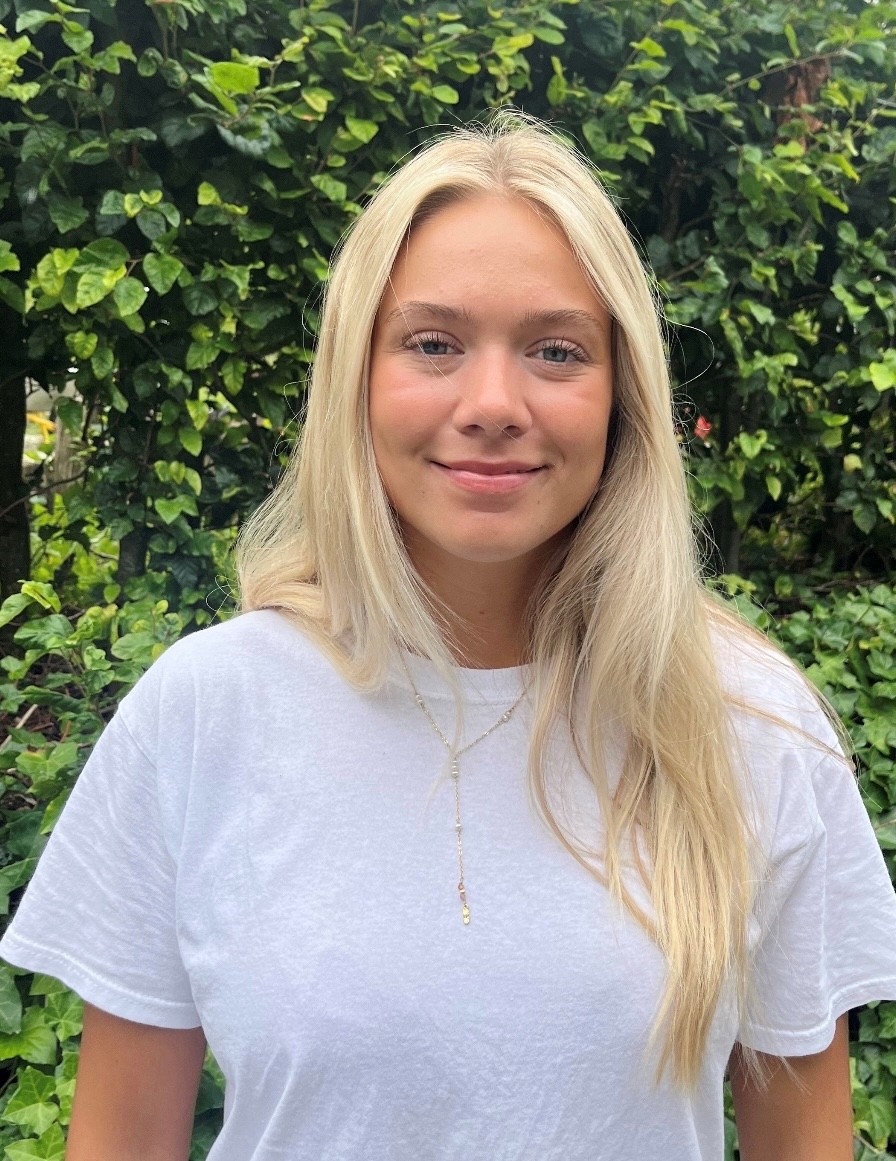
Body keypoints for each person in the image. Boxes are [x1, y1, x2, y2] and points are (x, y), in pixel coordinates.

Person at [2, 113, 896, 1161]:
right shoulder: (206, 711)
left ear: (622, 396)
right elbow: (121, 1141)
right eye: (433, 343)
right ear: (356, 375)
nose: (492, 404)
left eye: (556, 351)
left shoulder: (747, 723)